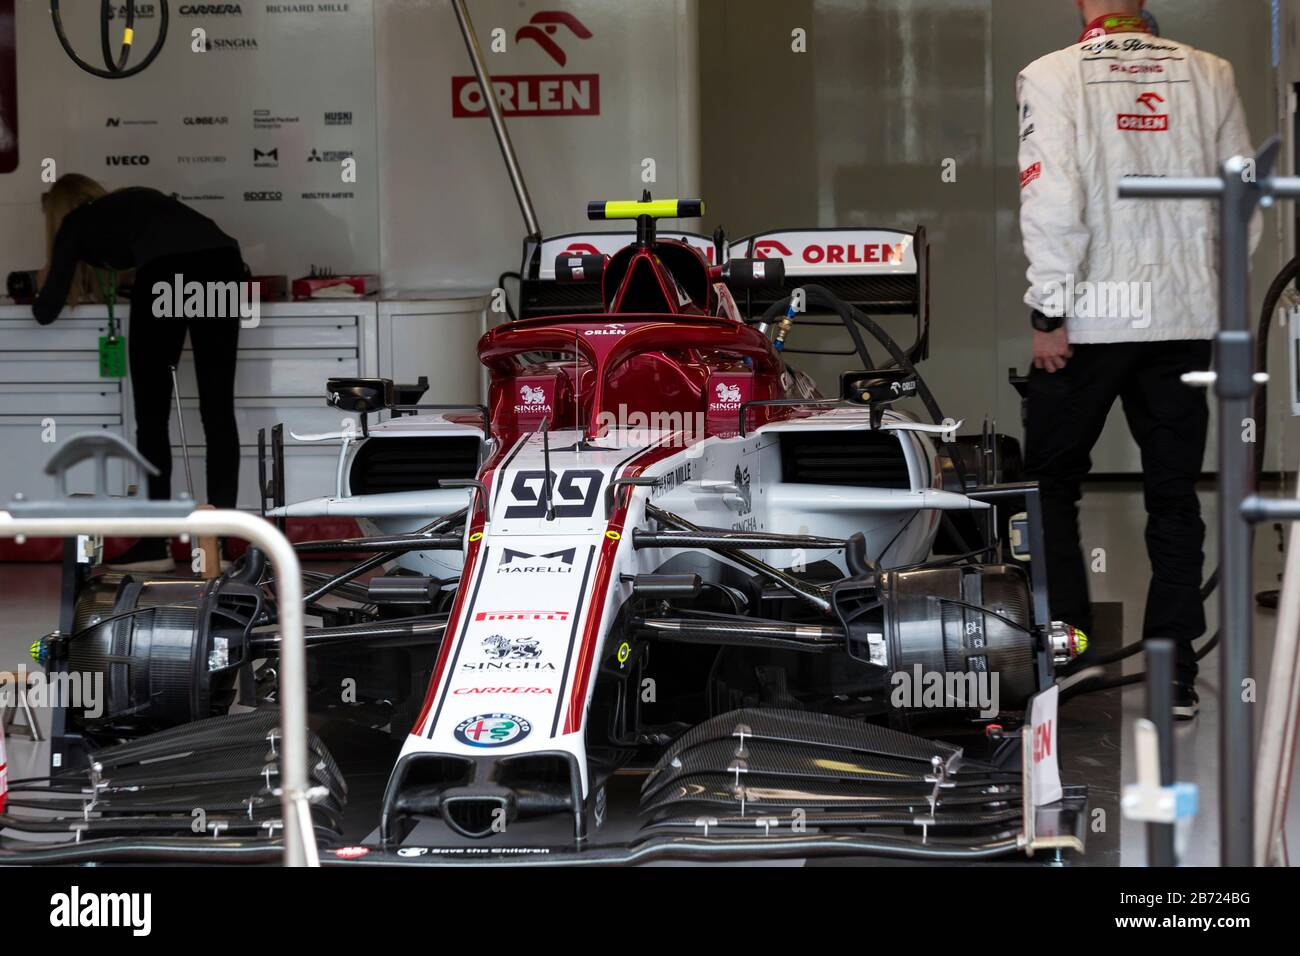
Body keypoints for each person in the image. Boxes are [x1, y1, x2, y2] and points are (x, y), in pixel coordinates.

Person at [1017, 0, 1259, 719]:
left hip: (1088, 322)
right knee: (1174, 491)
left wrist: (1048, 311)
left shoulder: (1052, 74)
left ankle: (1072, 654)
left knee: (1050, 485)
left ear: (1081, 6)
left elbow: (1052, 197)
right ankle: (1172, 674)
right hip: (1183, 321)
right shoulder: (1211, 73)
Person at [34, 175, 246, 571]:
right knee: (218, 412)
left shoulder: (74, 223)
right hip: (225, 264)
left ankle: (154, 546)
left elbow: (46, 310)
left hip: (167, 273)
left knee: (152, 418)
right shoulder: (135, 203)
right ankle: (218, 547)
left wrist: (40, 278)